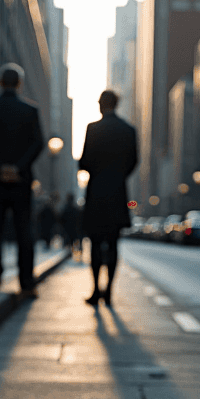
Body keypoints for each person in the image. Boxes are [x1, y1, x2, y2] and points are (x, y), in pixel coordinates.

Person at [0, 63, 45, 294]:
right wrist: (18, 168)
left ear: (0, 82)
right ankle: (26, 281)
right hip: (22, 182)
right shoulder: (30, 111)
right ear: (20, 84)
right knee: (25, 231)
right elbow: (38, 143)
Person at [78, 90, 138, 306]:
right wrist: (117, 176)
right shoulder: (129, 130)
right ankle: (109, 291)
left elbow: (83, 162)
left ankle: (96, 290)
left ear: (101, 105)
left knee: (95, 244)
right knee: (112, 244)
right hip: (117, 194)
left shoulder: (93, 129)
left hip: (96, 194)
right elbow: (133, 162)